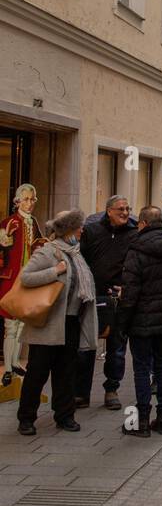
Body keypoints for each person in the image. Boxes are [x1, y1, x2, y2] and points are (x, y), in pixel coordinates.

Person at [16, 209, 97, 436]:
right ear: (68, 229)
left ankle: (64, 416)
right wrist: (55, 271)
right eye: (79, 227)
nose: (82, 230)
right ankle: (26, 418)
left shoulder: (77, 254)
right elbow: (25, 277)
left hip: (70, 322)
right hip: (48, 324)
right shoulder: (49, 252)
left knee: (66, 372)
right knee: (37, 373)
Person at [115, 206, 162, 437]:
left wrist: (122, 324)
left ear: (143, 224)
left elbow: (129, 293)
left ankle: (143, 420)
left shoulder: (136, 250)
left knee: (141, 368)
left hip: (141, 319)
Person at [74, 195, 138, 411]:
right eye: (120, 209)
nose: (125, 212)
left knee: (117, 349)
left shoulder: (133, 233)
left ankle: (112, 389)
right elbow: (79, 260)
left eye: (128, 209)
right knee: (86, 347)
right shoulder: (92, 231)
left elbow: (138, 265)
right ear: (108, 211)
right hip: (92, 298)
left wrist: (128, 288)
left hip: (118, 300)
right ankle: (81, 393)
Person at [0, 183, 44, 387]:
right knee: (10, 325)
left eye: (32, 199)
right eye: (26, 199)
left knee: (21, 325)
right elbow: (4, 243)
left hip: (28, 279)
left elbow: (37, 244)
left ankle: (15, 361)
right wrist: (6, 235)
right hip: (12, 280)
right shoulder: (9, 222)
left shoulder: (33, 222)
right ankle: (7, 369)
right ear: (17, 201)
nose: (29, 203)